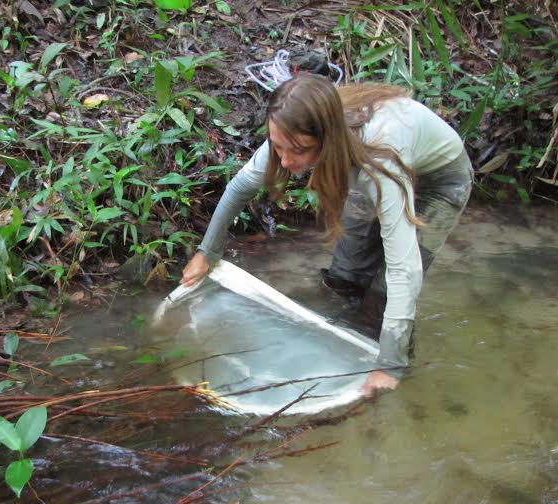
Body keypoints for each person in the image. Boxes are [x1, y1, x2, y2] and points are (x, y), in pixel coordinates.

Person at [180, 74, 473, 397]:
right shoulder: (292, 127)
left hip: (440, 181)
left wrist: (390, 366)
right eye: (278, 147)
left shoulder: (380, 161)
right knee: (343, 280)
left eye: (299, 151)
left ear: (327, 141)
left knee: (381, 296)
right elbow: (240, 187)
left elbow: (404, 269)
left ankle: (392, 360)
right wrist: (207, 253)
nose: (286, 161)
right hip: (366, 160)